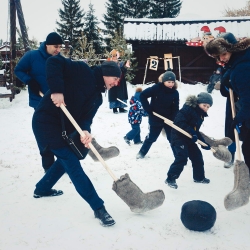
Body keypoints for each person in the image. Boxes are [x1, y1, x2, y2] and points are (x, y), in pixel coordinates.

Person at [32, 56, 121, 227]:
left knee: (69, 157)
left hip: (65, 127)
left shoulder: (98, 97)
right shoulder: (81, 70)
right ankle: (98, 207)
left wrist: (85, 130)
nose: (116, 83)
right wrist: (57, 90)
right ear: (107, 73)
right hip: (46, 121)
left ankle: (42, 189)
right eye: (115, 78)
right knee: (71, 163)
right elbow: (53, 62)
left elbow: (86, 118)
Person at [14, 32, 63, 172]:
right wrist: (29, 81)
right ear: (47, 45)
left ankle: (62, 163)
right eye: (55, 46)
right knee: (45, 134)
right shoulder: (32, 56)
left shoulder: (59, 59)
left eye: (60, 47)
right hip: (40, 102)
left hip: (56, 102)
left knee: (61, 133)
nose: (58, 49)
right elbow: (19, 70)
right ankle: (49, 166)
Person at [205, 33, 250, 175]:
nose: (221, 58)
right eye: (218, 56)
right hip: (242, 108)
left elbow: (248, 99)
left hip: (245, 109)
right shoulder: (237, 63)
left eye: (223, 54)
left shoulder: (241, 68)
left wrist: (239, 118)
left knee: (248, 150)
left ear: (232, 49)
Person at [166, 92, 213, 189]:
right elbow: (179, 123)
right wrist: (192, 131)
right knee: (182, 158)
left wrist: (204, 143)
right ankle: (170, 178)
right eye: (204, 105)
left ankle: (199, 178)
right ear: (198, 103)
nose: (206, 108)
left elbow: (196, 130)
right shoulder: (187, 109)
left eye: (208, 107)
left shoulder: (200, 115)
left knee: (197, 157)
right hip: (178, 137)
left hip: (189, 138)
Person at [136, 69, 179, 159]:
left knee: (172, 139)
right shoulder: (156, 88)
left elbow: (175, 107)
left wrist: (174, 119)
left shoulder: (175, 93)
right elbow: (143, 95)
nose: (171, 84)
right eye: (168, 82)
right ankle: (141, 153)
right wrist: (148, 109)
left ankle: (179, 157)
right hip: (155, 117)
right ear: (163, 81)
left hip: (169, 119)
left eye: (172, 82)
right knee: (152, 137)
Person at [108, 49, 129, 114]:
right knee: (114, 94)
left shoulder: (121, 63)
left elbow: (124, 71)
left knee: (121, 94)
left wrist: (125, 66)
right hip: (112, 81)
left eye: (116, 56)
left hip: (121, 81)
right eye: (113, 56)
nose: (114, 57)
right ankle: (115, 108)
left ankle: (121, 108)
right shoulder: (109, 63)